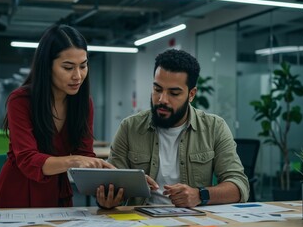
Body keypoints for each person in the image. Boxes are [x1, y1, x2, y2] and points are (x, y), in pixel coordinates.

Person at [97, 49, 249, 209]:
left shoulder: (214, 127)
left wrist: (199, 195)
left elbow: (239, 186)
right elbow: (110, 184)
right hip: (141, 220)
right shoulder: (130, 127)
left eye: (174, 93)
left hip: (192, 220)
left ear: (191, 94)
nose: (162, 100)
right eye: (157, 89)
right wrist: (108, 199)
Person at [0, 24, 114, 208]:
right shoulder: (20, 100)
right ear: (47, 66)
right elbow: (28, 160)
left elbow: (85, 155)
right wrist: (73, 161)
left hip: (58, 192)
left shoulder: (83, 103)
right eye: (68, 68)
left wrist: (116, 184)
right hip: (19, 191)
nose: (78, 76)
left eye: (83, 66)